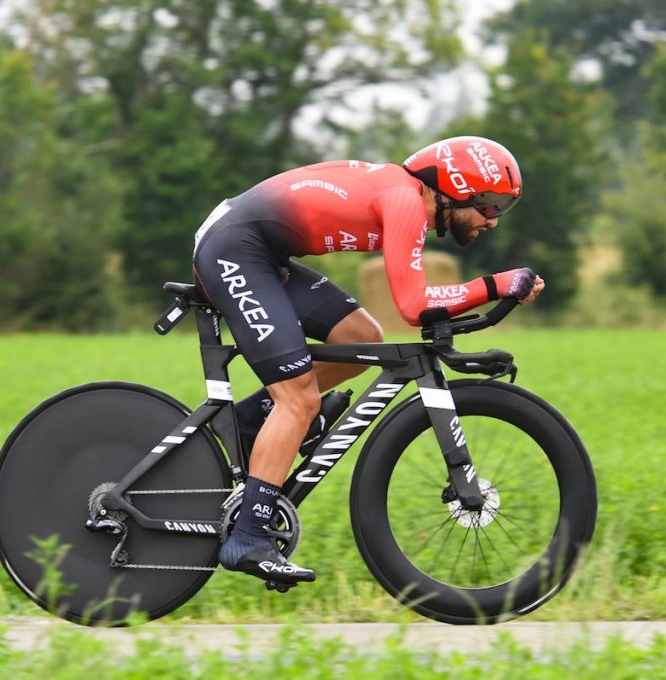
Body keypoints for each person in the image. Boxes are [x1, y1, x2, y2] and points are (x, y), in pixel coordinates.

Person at [191, 135, 545, 586]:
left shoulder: (405, 197)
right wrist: (495, 284)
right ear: (455, 189)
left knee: (359, 338)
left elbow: (414, 306)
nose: (492, 222)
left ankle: (250, 423)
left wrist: (491, 291)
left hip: (259, 251)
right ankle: (250, 535)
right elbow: (414, 307)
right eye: (489, 206)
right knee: (299, 400)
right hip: (234, 249)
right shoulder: (405, 201)